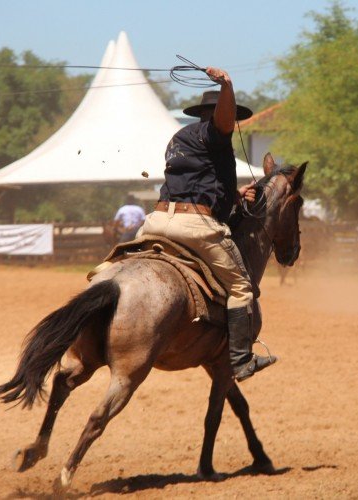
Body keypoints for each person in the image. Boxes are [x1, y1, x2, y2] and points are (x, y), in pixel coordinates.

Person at [138, 67, 276, 382]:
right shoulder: (213, 133)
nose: (231, 123)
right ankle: (241, 361)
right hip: (192, 226)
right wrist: (227, 84)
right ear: (216, 116)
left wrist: (236, 195)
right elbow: (223, 120)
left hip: (156, 220)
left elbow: (198, 186)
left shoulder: (180, 138)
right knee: (242, 287)